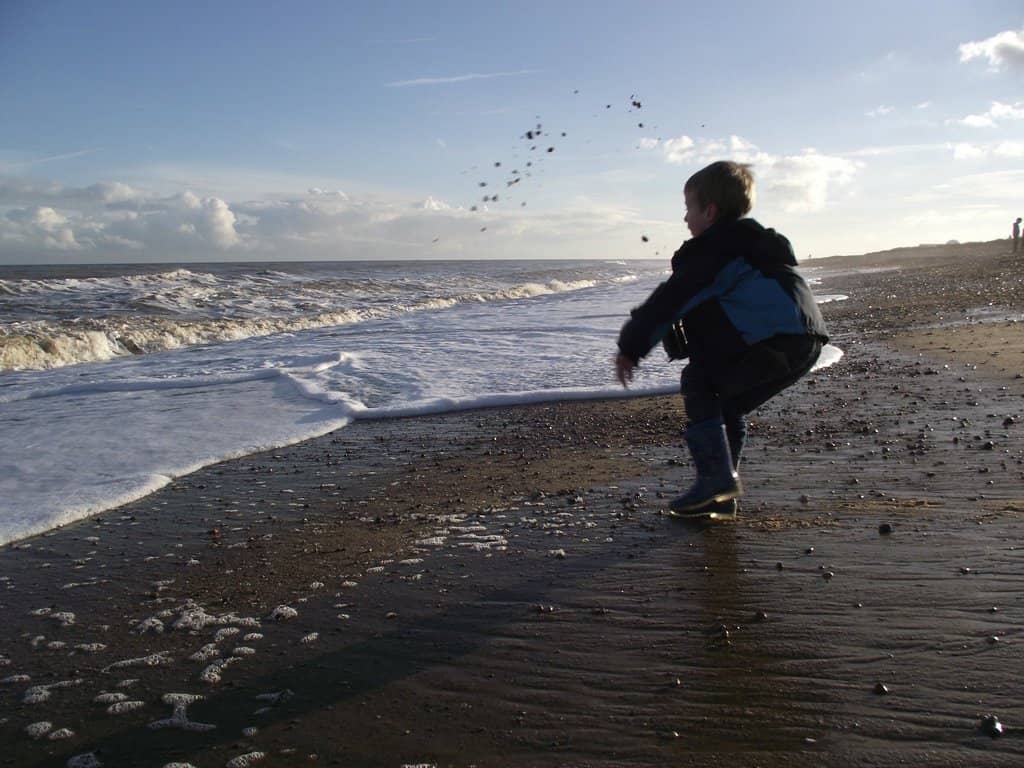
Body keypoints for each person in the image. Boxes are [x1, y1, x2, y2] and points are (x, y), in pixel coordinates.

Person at [615, 161, 829, 518]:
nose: (685, 219)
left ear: (710, 211)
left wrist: (630, 348)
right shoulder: (754, 247)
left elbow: (670, 300)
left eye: (688, 209)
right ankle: (721, 494)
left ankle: (716, 480)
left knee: (700, 382)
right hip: (806, 343)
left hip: (773, 343)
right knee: (725, 404)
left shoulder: (716, 251)